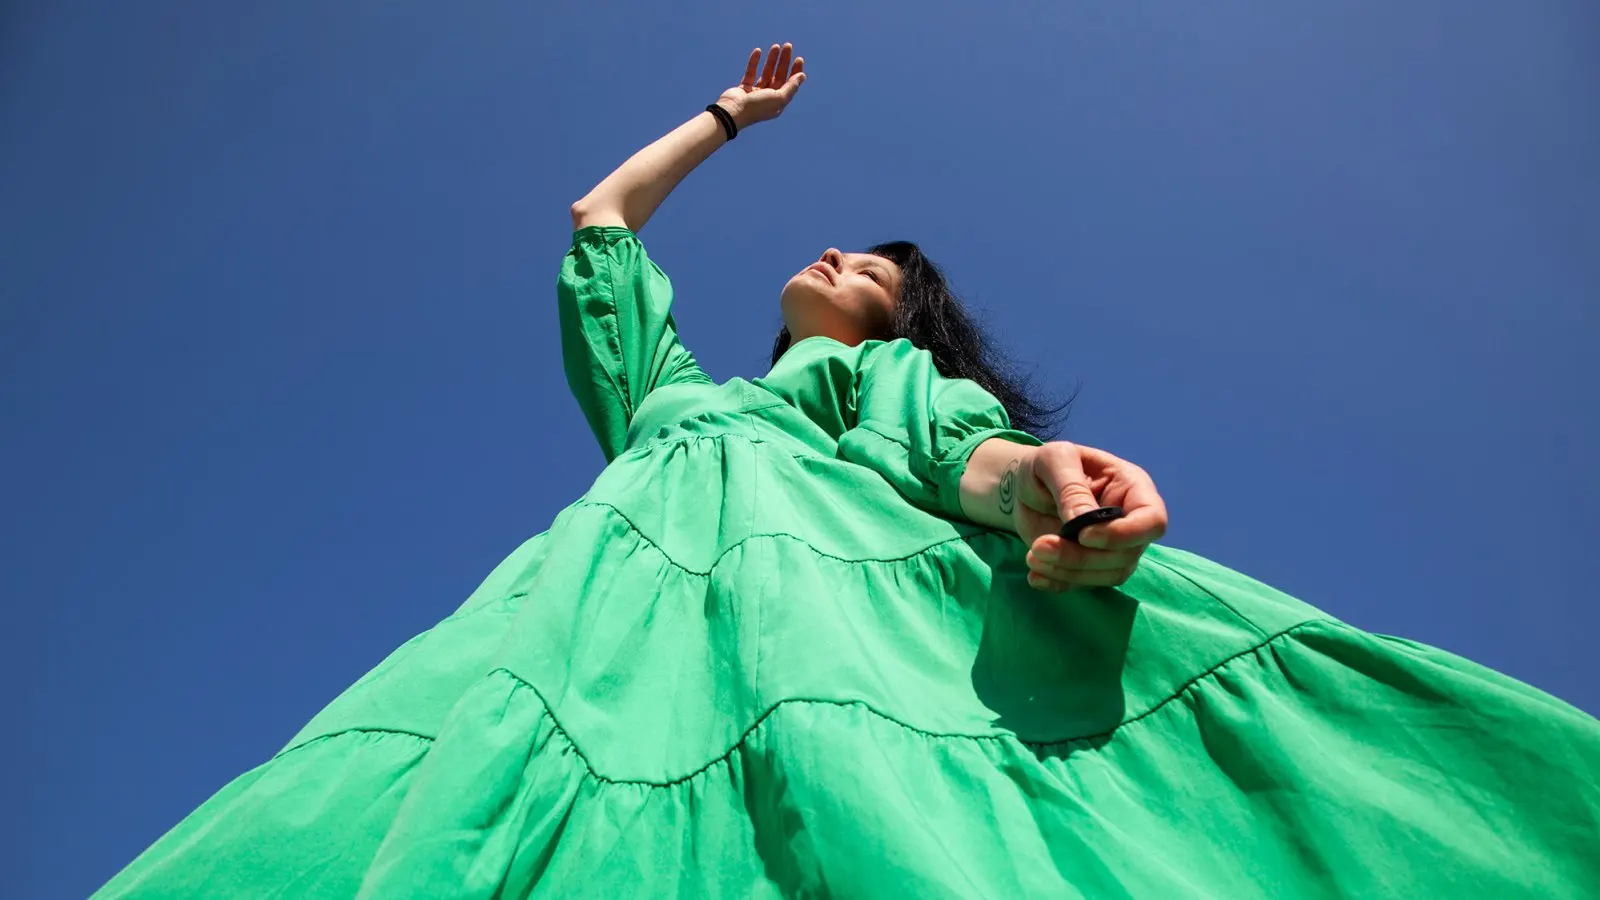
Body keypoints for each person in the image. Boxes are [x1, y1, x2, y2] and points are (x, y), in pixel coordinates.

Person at [97, 42, 1597, 899]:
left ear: (907, 318)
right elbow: (599, 222)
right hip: (579, 661)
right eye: (835, 247)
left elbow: (980, 463)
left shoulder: (890, 390)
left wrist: (1055, 481)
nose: (839, 256)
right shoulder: (671, 404)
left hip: (857, 663)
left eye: (875, 266)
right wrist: (726, 120)